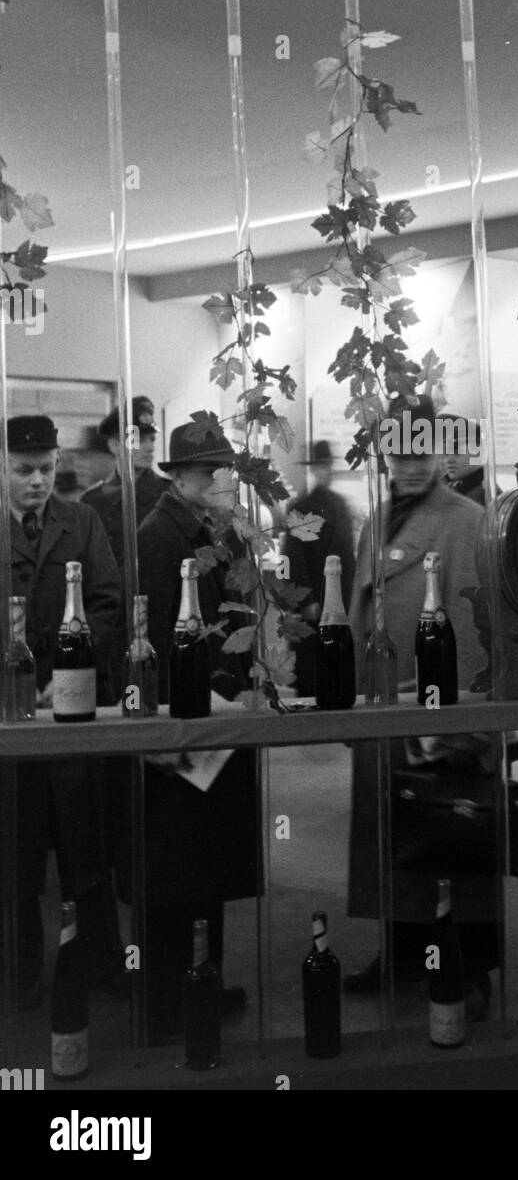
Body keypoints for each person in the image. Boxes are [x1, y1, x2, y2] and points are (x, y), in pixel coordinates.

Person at [344, 394, 502, 1020]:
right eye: (397, 451)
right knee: (395, 842)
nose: (407, 465)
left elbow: (473, 625)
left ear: (441, 452)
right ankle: (405, 954)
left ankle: (472, 970)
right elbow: (356, 613)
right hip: (385, 705)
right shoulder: (378, 520)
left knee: (452, 840)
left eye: (419, 451)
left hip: (438, 708)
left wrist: (460, 723)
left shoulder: (466, 519)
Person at [111, 416, 259, 1042]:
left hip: (224, 719)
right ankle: (166, 1004)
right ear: (179, 478)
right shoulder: (156, 536)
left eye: (227, 471)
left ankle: (203, 982)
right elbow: (144, 639)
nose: (223, 481)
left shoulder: (222, 533)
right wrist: (174, 715)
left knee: (209, 871)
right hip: (184, 725)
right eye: (211, 472)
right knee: (171, 876)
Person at [4, 414, 124, 1008]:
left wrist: (72, 678)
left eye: (47, 470)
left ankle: (102, 964)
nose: (37, 481)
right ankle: (19, 975)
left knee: (86, 848)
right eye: (24, 470)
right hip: (12, 719)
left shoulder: (82, 522)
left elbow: (108, 604)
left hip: (71, 711)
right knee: (16, 857)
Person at [283, 439, 356, 696]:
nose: (326, 470)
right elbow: (292, 556)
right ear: (313, 469)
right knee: (310, 663)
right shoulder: (301, 507)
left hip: (340, 595)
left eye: (328, 465)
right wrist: (305, 599)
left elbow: (347, 552)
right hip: (315, 596)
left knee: (337, 658)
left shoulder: (340, 504)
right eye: (320, 466)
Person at [81, 396, 170, 569]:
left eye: (152, 439)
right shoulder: (92, 501)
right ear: (115, 445)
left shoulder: (169, 494)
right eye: (139, 440)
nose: (149, 447)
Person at [438, 413, 497, 505]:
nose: (448, 460)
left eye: (457, 452)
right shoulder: (449, 488)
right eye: (446, 453)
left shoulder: (486, 496)